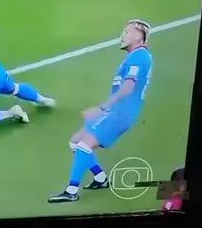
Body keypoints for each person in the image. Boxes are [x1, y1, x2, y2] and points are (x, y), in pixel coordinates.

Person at [48, 19, 153, 203]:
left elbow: (127, 88)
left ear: (139, 36)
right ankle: (100, 178)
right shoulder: (134, 57)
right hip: (114, 111)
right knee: (75, 142)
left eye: (126, 32)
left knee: (84, 145)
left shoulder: (139, 57)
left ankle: (71, 191)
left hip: (119, 114)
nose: (122, 36)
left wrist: (102, 107)